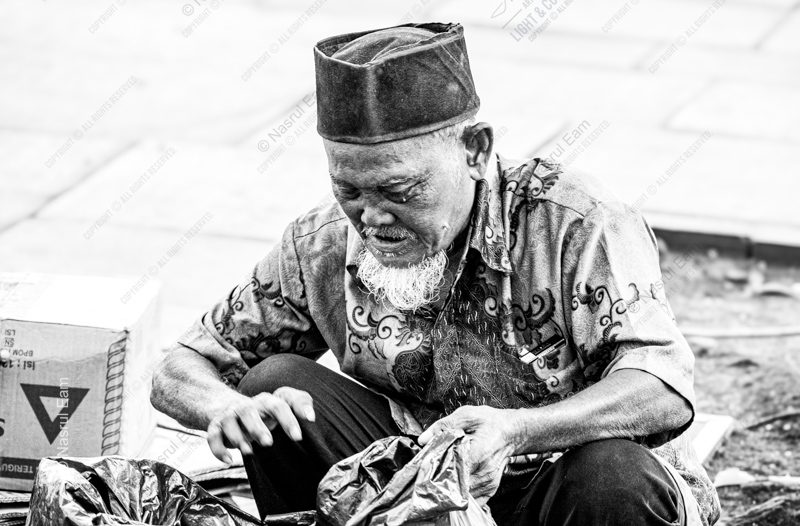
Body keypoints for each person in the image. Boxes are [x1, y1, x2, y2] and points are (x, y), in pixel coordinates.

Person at [151, 22, 719, 526]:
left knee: (613, 473)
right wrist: (222, 409)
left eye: (399, 191)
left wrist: (517, 430)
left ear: (475, 151)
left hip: (559, 484)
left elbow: (663, 388)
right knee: (275, 390)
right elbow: (180, 367)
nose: (371, 218)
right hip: (414, 488)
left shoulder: (578, 222)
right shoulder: (321, 243)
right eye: (348, 190)